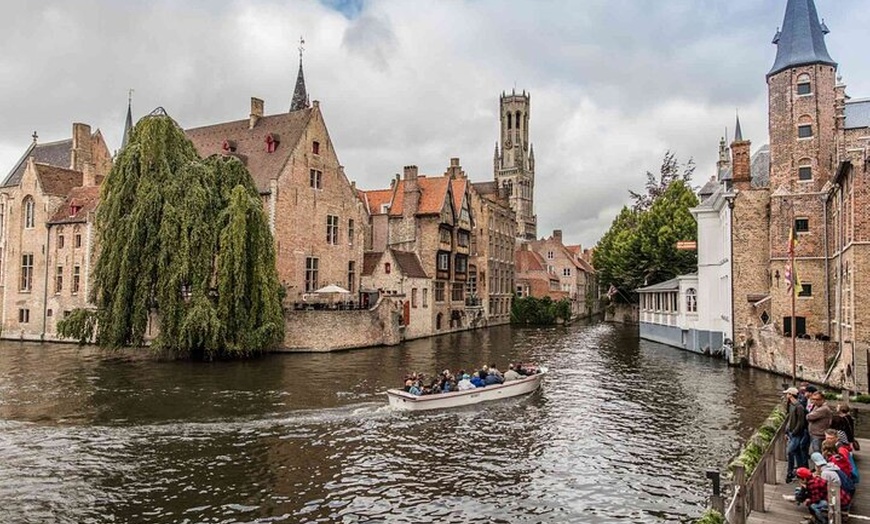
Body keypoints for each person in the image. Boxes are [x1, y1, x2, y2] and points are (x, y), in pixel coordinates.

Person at [784, 386, 809, 483]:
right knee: (797, 452)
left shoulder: (799, 407)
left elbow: (801, 422)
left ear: (791, 395)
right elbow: (790, 419)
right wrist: (787, 431)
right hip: (791, 432)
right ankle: (801, 470)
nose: (786, 395)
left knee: (790, 451)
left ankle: (790, 472)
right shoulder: (791, 405)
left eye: (787, 393)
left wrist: (794, 432)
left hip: (796, 433)